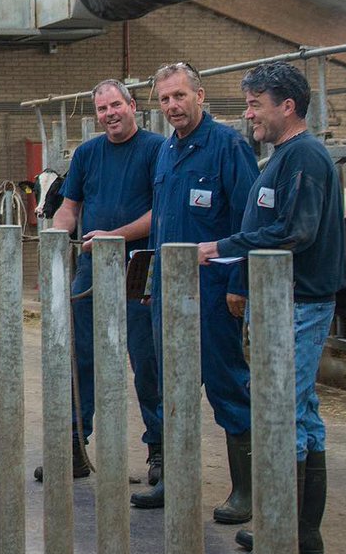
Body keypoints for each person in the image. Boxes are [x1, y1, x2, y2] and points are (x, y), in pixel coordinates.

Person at [196, 62, 344, 554]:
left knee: (280, 413)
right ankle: (301, 534)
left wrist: (222, 247)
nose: (248, 113)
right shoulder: (282, 157)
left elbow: (293, 231)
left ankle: (281, 543)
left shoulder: (304, 155)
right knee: (301, 411)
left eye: (256, 103)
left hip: (298, 301)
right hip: (283, 299)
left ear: (288, 106)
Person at [131, 62, 259, 522]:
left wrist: (241, 285)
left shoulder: (229, 147)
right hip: (169, 293)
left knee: (228, 387)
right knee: (174, 391)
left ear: (200, 96)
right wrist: (148, 282)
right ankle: (175, 483)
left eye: (180, 96)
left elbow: (250, 224)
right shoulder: (166, 152)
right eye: (165, 99)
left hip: (214, 296)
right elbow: (161, 224)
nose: (173, 106)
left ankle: (245, 492)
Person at [33, 79, 163, 485]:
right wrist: (56, 239)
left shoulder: (157, 150)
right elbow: (69, 208)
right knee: (78, 354)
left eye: (115, 106)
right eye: (102, 109)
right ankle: (74, 445)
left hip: (139, 264)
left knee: (147, 359)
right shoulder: (88, 153)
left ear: (132, 106)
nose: (109, 114)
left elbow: (161, 213)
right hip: (91, 267)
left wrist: (114, 236)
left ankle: (159, 450)